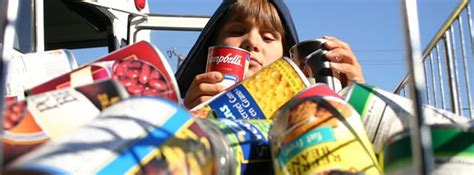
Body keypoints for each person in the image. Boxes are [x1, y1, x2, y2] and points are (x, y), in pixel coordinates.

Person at [176, 0, 365, 109]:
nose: (252, 41)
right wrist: (188, 124)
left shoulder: (305, 114)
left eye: (267, 37)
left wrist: (356, 102)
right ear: (211, 46)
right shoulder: (175, 110)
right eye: (236, 32)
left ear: (288, 59)